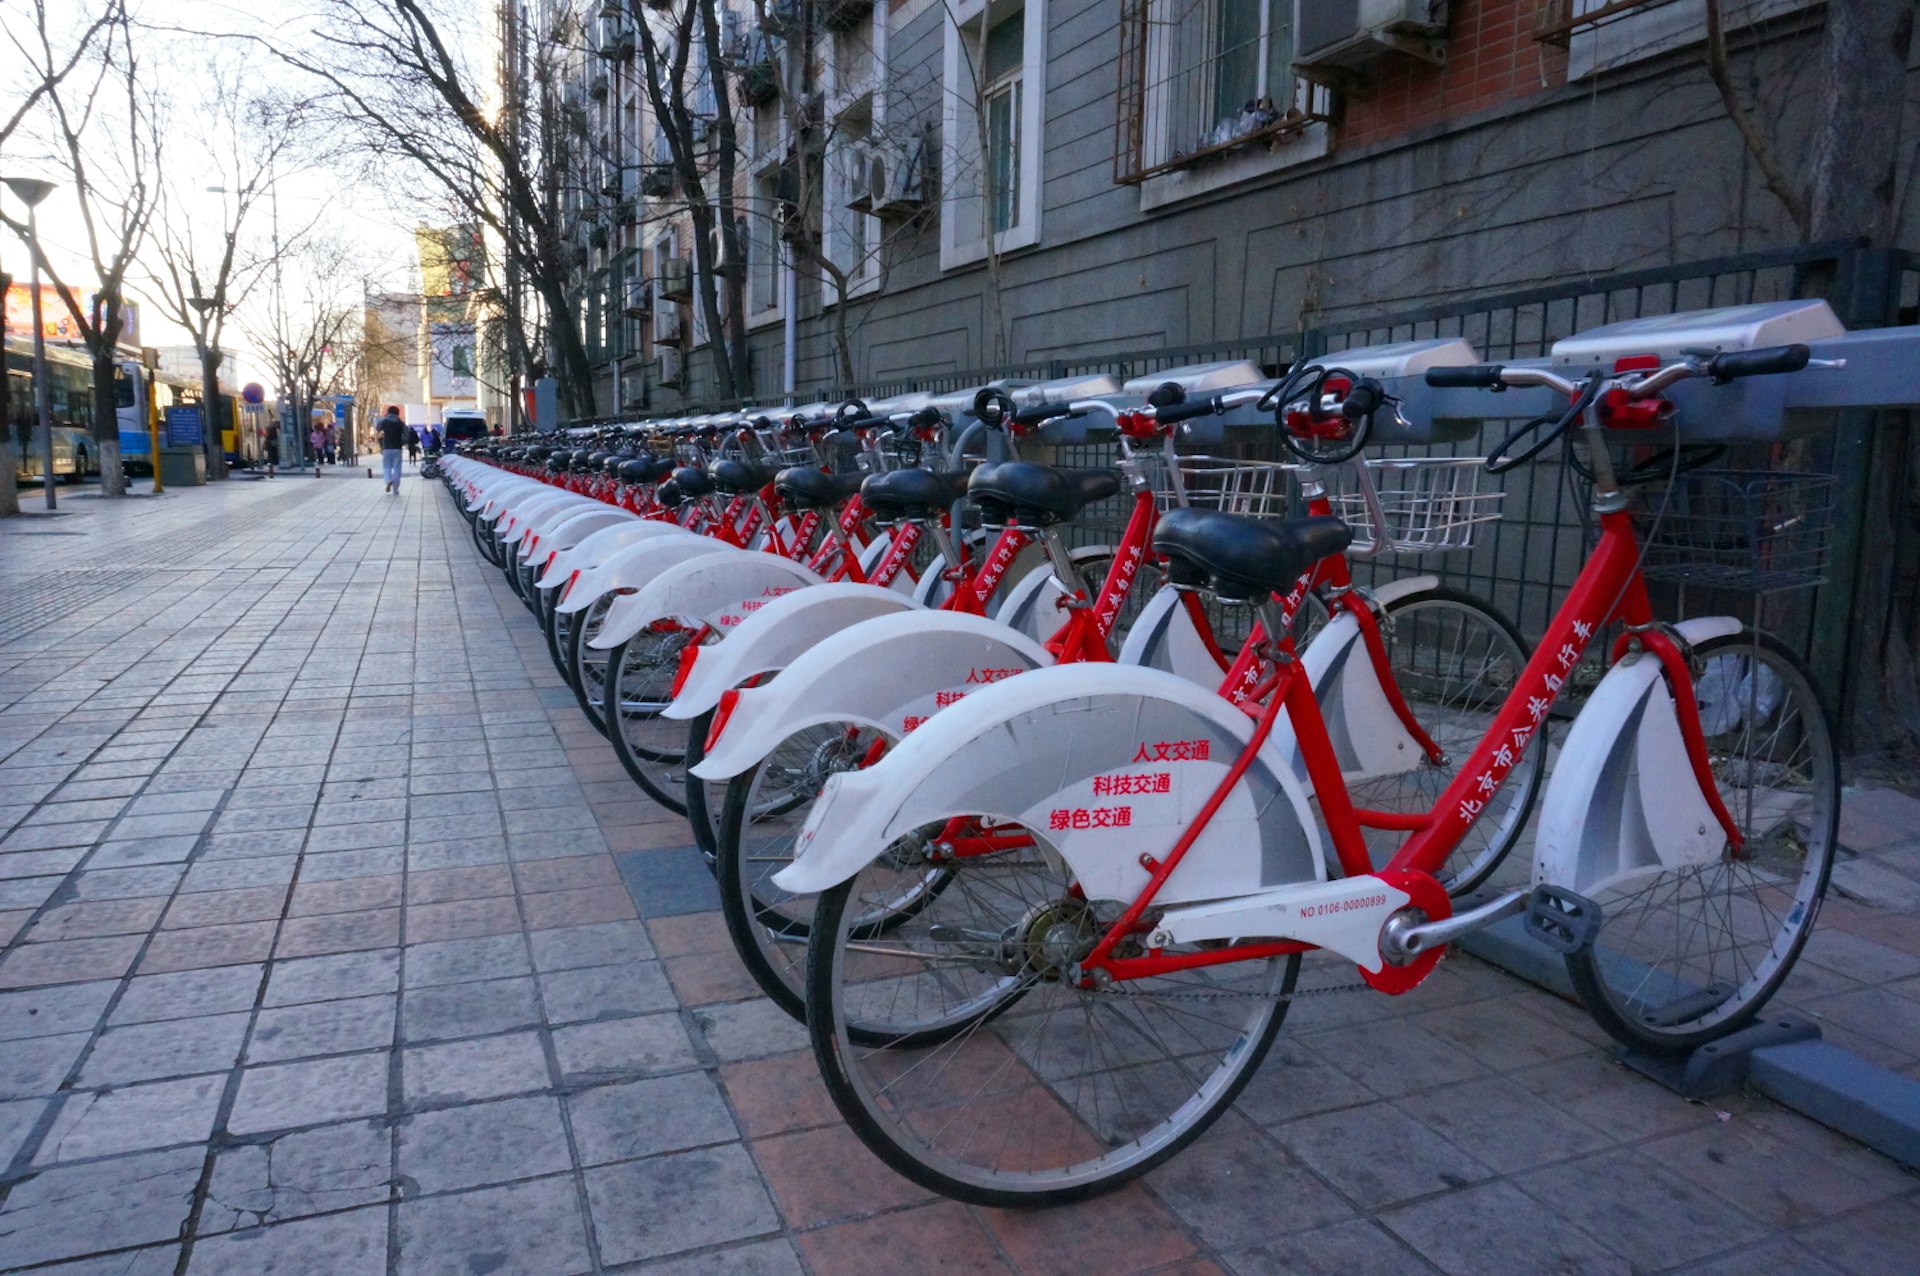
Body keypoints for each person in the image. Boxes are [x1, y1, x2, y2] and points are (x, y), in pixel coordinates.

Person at [377, 406, 406, 493]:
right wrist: (402, 442)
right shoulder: (400, 423)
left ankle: (388, 480)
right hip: (397, 448)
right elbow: (407, 434)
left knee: (387, 467)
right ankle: (395, 490)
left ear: (388, 412)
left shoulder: (384, 421)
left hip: (386, 448)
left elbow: (378, 428)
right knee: (397, 468)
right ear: (398, 413)